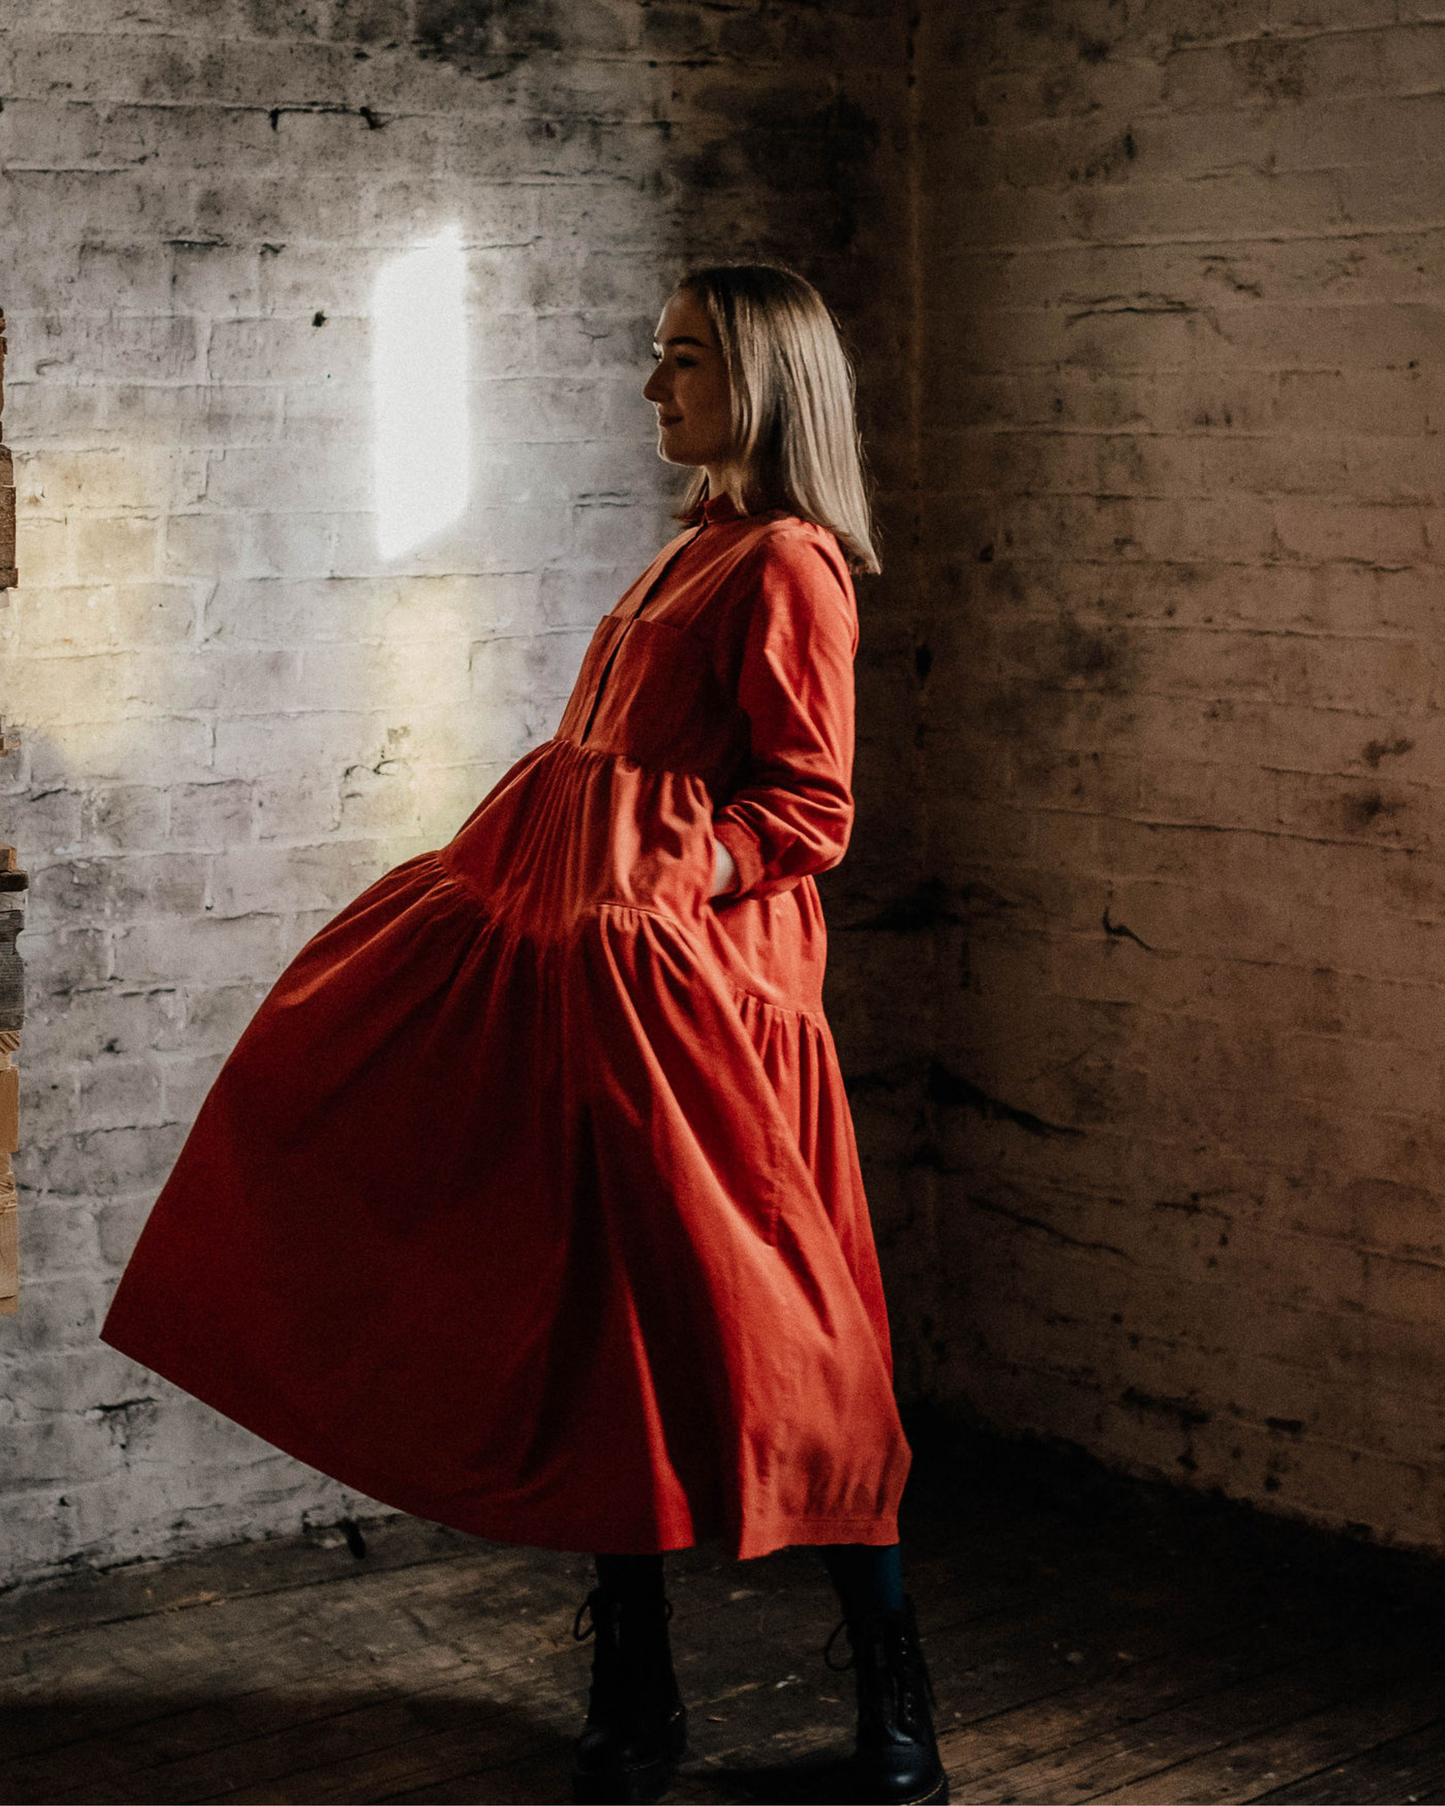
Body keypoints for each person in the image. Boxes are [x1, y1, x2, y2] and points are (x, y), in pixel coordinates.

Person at [100, 263, 947, 1806]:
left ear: (756, 379)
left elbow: (812, 806)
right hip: (596, 998)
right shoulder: (693, 546)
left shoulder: (793, 563)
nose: (652, 386)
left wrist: (681, 875)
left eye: (680, 360)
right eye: (656, 355)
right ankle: (638, 1678)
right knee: (607, 1342)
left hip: (709, 1007)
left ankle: (895, 1695)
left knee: (796, 1345)